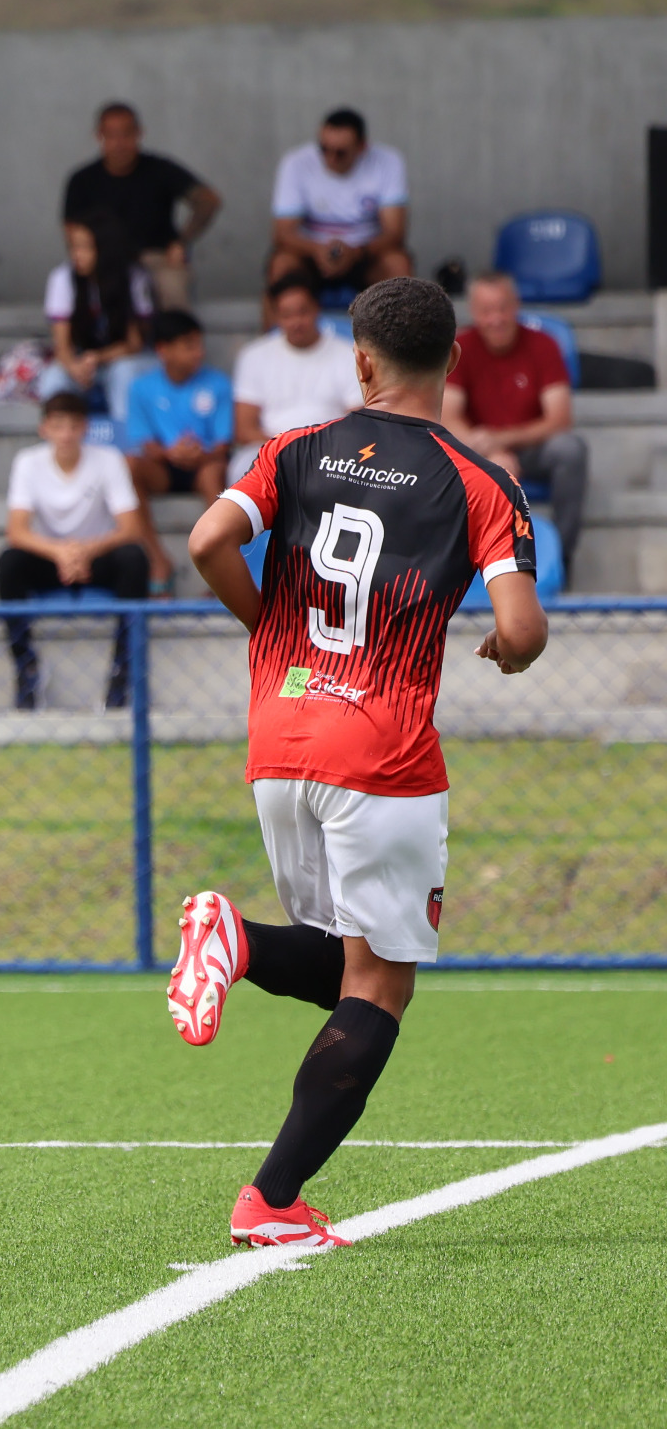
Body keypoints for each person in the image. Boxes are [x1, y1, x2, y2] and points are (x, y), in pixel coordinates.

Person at [174, 276, 545, 1249]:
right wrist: (509, 651)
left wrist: (270, 632)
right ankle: (271, 1200)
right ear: (452, 360)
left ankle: (239, 946)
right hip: (380, 750)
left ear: (361, 360)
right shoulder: (480, 481)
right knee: (381, 986)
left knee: (351, 962)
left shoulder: (293, 448)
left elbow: (207, 538)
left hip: (279, 737)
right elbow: (520, 627)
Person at [0, 392, 149, 710]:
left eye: (73, 426)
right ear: (44, 429)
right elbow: (16, 530)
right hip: (52, 559)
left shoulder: (109, 459)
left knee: (134, 558)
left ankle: (122, 669)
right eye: (58, 426)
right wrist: (59, 553)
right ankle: (26, 667)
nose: (66, 435)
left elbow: (131, 527)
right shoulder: (28, 462)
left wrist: (84, 551)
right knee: (9, 562)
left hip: (96, 558)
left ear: (85, 428)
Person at [444, 271, 585, 582]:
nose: (496, 319)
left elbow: (560, 418)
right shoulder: (459, 348)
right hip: (476, 451)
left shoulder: (543, 345)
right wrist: (487, 457)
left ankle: (561, 558)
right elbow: (448, 417)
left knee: (571, 449)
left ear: (517, 305)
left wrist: (499, 441)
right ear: (473, 312)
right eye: (486, 310)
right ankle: (457, 568)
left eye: (503, 308)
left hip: (529, 447)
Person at [60, 102, 221, 311]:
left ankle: (177, 333)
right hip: (103, 259)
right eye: (111, 135)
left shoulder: (160, 169)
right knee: (71, 284)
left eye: (126, 134)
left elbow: (208, 200)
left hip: (156, 257)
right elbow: (70, 227)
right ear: (98, 136)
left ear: (139, 133)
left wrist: (181, 242)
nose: (119, 143)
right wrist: (87, 254)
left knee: (172, 284)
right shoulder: (82, 180)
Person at [120, 309, 235, 593]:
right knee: (129, 465)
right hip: (163, 467)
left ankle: (220, 567)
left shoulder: (218, 384)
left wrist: (197, 454)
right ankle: (157, 561)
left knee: (213, 473)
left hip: (205, 465)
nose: (198, 352)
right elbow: (144, 442)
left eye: (199, 344)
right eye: (189, 346)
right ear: (163, 350)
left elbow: (223, 445)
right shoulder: (141, 387)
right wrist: (171, 454)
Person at [265, 108, 411, 309]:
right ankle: (277, 330)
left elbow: (395, 233)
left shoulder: (388, 161)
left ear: (362, 147)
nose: (330, 158)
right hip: (310, 254)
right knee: (281, 266)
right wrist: (317, 250)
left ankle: (399, 330)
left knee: (398, 267)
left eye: (340, 153)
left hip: (366, 253)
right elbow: (282, 234)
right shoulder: (296, 162)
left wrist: (356, 253)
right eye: (324, 149)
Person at [232, 276, 361, 475]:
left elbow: (357, 421)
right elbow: (244, 429)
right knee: (241, 467)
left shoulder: (348, 354)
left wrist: (314, 448)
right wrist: (286, 448)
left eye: (303, 312)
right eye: (287, 315)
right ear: (276, 316)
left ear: (317, 308)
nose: (296, 322)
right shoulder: (254, 356)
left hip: (331, 449)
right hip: (269, 448)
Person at [39, 212, 154, 421]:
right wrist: (74, 367)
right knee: (53, 377)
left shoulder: (132, 277)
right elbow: (62, 346)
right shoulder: (62, 278)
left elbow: (134, 343)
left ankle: (125, 439)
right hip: (82, 361)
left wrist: (99, 357)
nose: (77, 255)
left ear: (106, 248)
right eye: (73, 247)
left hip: (124, 358)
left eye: (85, 247)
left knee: (124, 372)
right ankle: (61, 438)